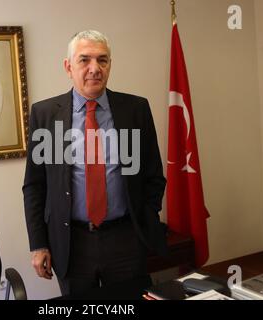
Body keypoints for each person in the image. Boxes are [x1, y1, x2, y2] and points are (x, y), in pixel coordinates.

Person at [23, 30, 167, 296]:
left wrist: (144, 220)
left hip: (125, 239)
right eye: (84, 60)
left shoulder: (135, 109)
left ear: (110, 64)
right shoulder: (45, 115)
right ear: (68, 67)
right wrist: (39, 244)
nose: (94, 69)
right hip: (71, 243)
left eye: (102, 60)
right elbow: (34, 185)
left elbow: (153, 175)